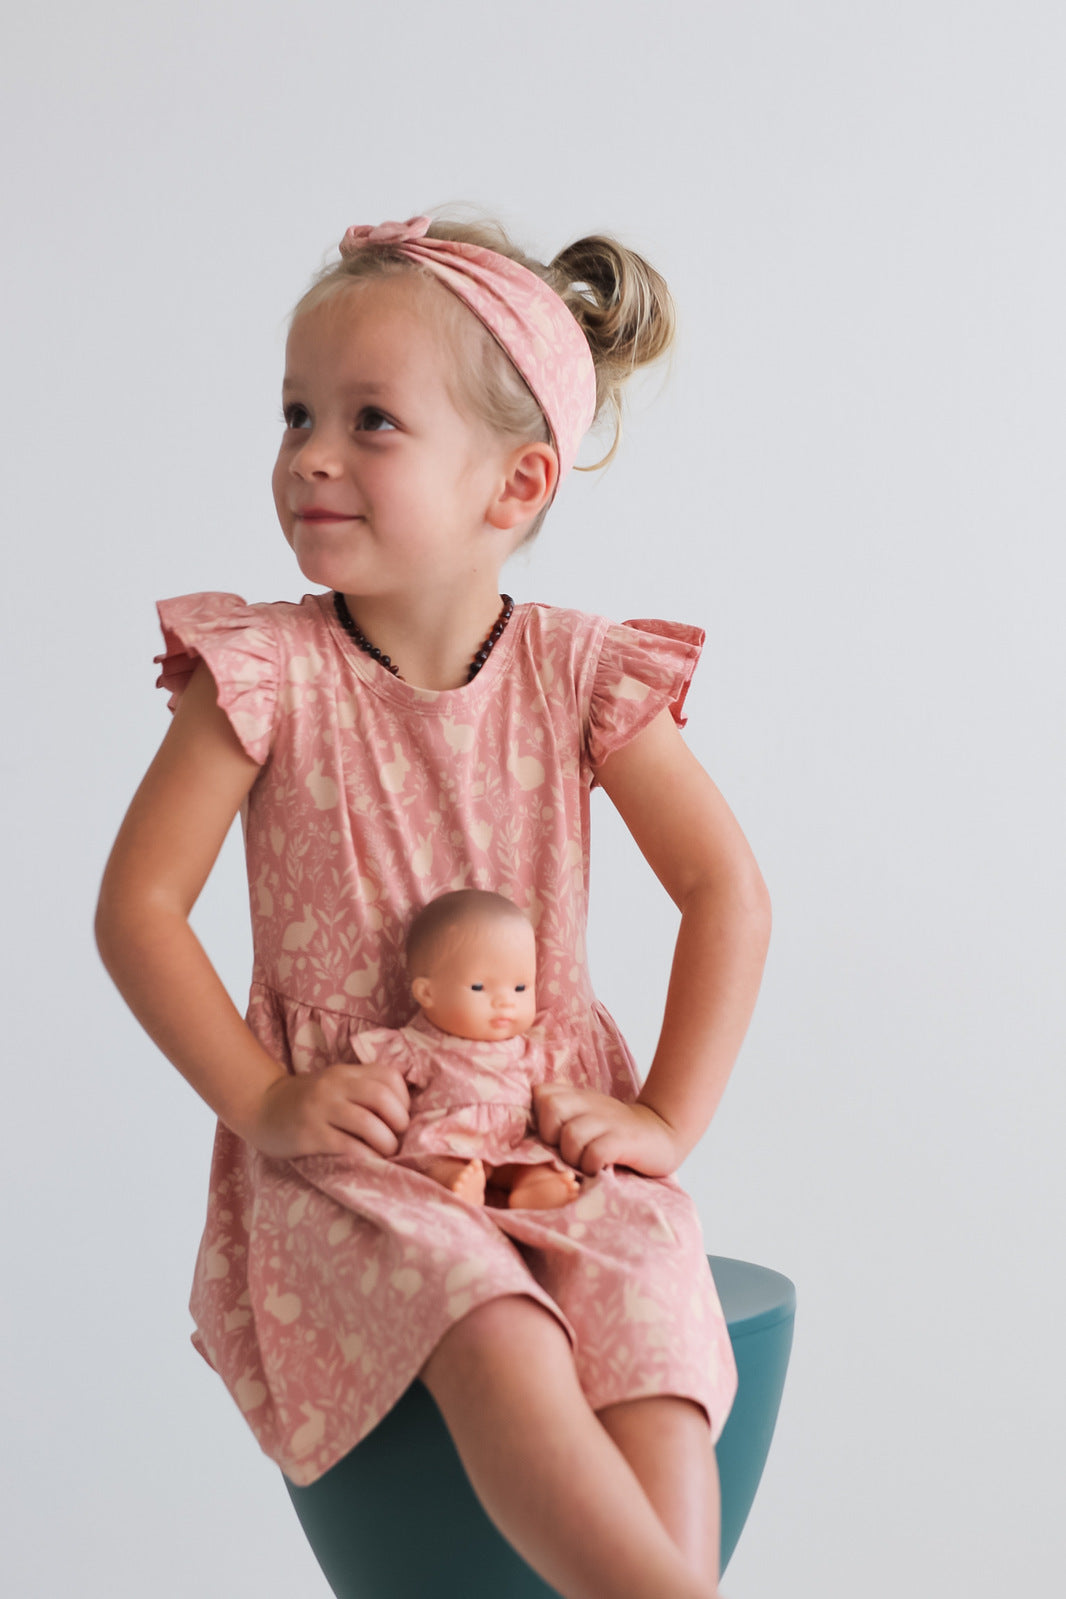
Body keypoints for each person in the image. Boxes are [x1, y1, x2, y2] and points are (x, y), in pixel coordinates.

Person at [95, 213, 772, 1599]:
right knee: (488, 1316)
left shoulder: (581, 672)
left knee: (651, 1311)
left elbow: (725, 892)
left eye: (369, 421)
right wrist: (267, 1100)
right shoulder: (263, 674)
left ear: (514, 483)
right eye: (295, 413)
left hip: (550, 1128)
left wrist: (658, 1120)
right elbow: (139, 907)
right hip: (361, 1149)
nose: (309, 454)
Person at [358, 887, 582, 1208]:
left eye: (520, 987)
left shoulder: (529, 1050)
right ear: (427, 993)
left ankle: (533, 1184)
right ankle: (451, 1180)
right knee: (426, 1160)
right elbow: (381, 1087)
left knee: (536, 1158)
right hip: (447, 1140)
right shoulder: (417, 1045)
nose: (506, 1000)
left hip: (512, 1140)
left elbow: (558, 1095)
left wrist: (564, 1112)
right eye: (479, 987)